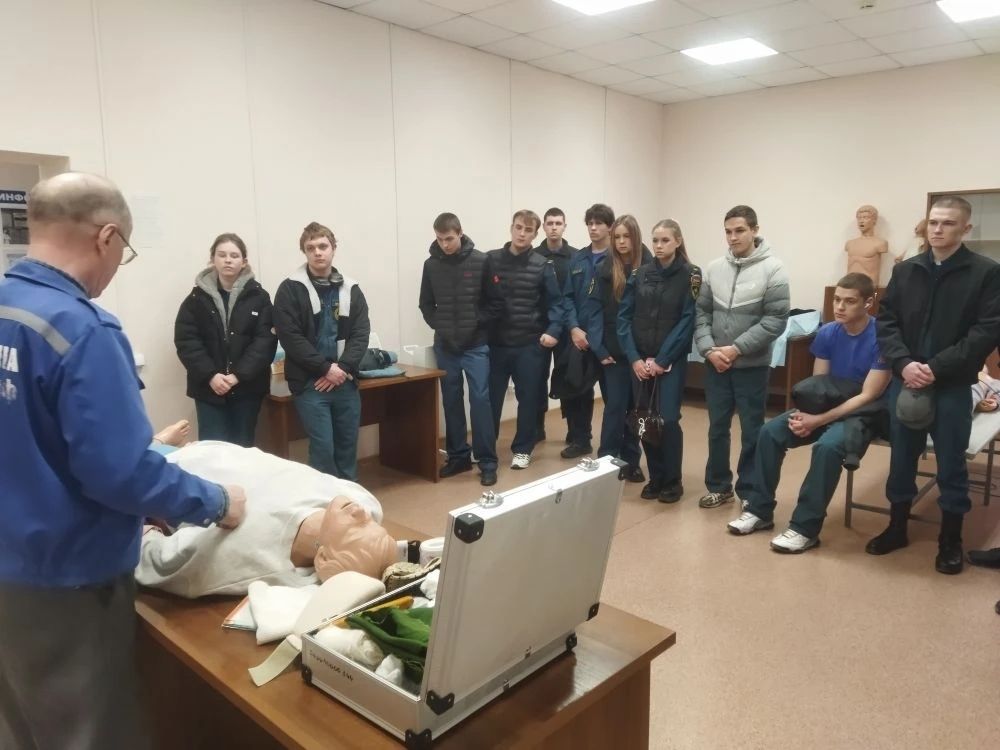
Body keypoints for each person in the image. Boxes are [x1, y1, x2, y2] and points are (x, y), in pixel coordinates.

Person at [0, 172, 246, 750]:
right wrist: (215, 501)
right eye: (124, 252)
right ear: (107, 237)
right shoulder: (82, 331)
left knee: (22, 720)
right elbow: (120, 473)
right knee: (87, 730)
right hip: (65, 578)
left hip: (10, 565)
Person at [869, 196, 1000, 574]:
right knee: (901, 458)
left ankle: (950, 540)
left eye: (948, 223)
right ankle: (896, 527)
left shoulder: (986, 273)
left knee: (951, 464)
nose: (938, 229)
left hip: (952, 385)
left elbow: (985, 331)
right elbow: (887, 322)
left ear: (966, 229)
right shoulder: (906, 270)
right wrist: (903, 363)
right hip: (906, 381)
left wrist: (936, 368)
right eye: (933, 222)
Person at [727, 273, 891, 551]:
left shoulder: (882, 337)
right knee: (770, 432)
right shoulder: (828, 332)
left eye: (850, 301)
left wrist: (818, 421)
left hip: (864, 413)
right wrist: (808, 417)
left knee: (827, 447)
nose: (840, 307)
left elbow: (869, 395)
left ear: (868, 303)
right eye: (837, 299)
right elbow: (819, 386)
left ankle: (804, 529)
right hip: (829, 404)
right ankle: (759, 510)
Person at [136, 441, 402, 597]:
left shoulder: (253, 548)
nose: (361, 513)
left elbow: (168, 563)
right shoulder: (358, 502)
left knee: (138, 450)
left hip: (167, 472)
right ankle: (161, 439)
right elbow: (368, 505)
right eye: (370, 523)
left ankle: (158, 440)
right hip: (213, 449)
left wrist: (148, 536)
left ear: (323, 559)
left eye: (356, 529)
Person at [694, 205, 790, 510]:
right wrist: (709, 350)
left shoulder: (773, 269)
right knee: (717, 428)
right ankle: (718, 486)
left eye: (739, 230)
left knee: (752, 431)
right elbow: (701, 313)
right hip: (716, 365)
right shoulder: (713, 269)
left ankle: (749, 489)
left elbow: (776, 319)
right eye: (728, 231)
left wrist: (736, 349)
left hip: (752, 366)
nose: (733, 237)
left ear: (755, 230)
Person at [273, 222, 371, 481]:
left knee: (347, 446)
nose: (317, 252)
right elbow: (290, 337)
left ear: (333, 249)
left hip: (345, 381)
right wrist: (325, 369)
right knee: (323, 449)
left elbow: (361, 333)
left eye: (323, 246)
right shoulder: (289, 289)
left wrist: (342, 369)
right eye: (311, 248)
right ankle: (324, 501)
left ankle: (349, 497)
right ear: (304, 252)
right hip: (310, 384)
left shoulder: (351, 288)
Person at [617, 219, 700, 502]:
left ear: (677, 241)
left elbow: (687, 320)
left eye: (665, 240)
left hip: (670, 362)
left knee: (668, 419)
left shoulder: (691, 274)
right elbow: (624, 318)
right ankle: (656, 477)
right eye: (655, 240)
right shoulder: (640, 274)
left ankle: (673, 481)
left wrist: (663, 359)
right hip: (640, 363)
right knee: (644, 418)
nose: (659, 245)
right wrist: (634, 359)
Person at [174, 232, 277, 446]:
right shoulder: (195, 300)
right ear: (213, 259)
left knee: (242, 447)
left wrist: (238, 376)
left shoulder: (259, 297)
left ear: (244, 261)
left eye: (234, 255)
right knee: (212, 449)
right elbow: (187, 342)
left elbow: (265, 341)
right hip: (208, 389)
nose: (228, 260)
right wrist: (211, 375)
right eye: (222, 255)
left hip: (247, 388)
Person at [418, 213, 498, 487]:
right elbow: (425, 304)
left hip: (476, 345)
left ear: (460, 233)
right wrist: (440, 325)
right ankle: (458, 457)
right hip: (445, 346)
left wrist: (477, 322)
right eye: (440, 239)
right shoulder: (430, 265)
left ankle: (487, 461)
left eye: (449, 239)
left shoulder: (482, 260)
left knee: (480, 400)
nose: (445, 244)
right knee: (451, 400)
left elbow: (495, 303)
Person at [484, 210, 563, 469]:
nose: (522, 233)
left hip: (529, 345)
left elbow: (556, 303)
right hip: (496, 344)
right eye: (518, 227)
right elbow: (480, 297)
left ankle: (522, 449)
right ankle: (486, 449)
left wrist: (553, 331)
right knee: (490, 399)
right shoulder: (491, 260)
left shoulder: (542, 265)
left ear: (535, 234)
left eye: (528, 230)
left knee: (529, 399)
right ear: (511, 228)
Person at [585, 214, 646, 483]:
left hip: (641, 353)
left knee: (636, 410)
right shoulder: (605, 267)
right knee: (615, 407)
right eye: (617, 237)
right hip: (613, 352)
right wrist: (598, 347)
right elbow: (593, 310)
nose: (621, 242)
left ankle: (632, 460)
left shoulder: (649, 266)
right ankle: (607, 460)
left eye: (626, 236)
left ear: (635, 237)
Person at [561, 203, 615, 459]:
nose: (593, 228)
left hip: (608, 339)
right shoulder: (578, 258)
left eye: (599, 223)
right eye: (589, 224)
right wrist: (573, 328)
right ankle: (581, 440)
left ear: (610, 227)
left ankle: (613, 446)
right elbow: (567, 297)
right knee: (578, 391)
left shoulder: (618, 257)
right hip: (580, 337)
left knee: (613, 396)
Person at [533, 207, 577, 445]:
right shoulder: (534, 256)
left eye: (558, 223)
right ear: (543, 227)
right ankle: (536, 428)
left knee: (568, 377)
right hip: (540, 329)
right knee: (536, 379)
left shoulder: (576, 257)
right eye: (549, 223)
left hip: (568, 329)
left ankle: (573, 429)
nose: (553, 227)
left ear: (564, 226)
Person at [844, 204, 889, 286]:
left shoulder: (880, 243)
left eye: (865, 217)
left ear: (874, 220)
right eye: (859, 218)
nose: (861, 221)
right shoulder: (850, 243)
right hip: (849, 285)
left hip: (869, 287)